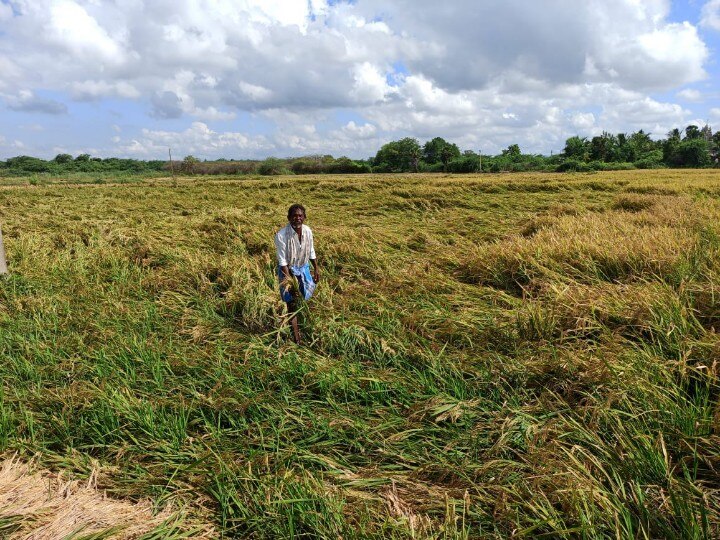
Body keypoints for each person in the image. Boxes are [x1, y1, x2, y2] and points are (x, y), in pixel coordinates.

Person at [274, 204, 320, 344]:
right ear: (289, 218)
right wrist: (290, 282)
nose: (297, 218)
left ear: (304, 217)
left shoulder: (307, 231)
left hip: (303, 267)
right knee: (291, 302)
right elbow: (282, 262)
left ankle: (302, 324)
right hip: (288, 270)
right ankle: (296, 338)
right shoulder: (281, 235)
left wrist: (316, 268)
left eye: (300, 215)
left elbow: (311, 250)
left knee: (304, 297)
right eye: (294, 216)